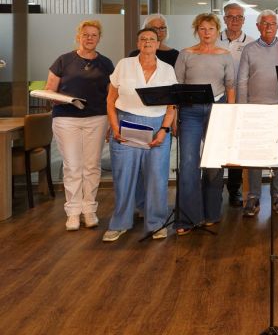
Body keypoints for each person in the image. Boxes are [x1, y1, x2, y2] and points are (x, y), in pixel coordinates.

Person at [103, 28, 177, 242]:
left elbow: (172, 104)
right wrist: (115, 127)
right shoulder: (124, 65)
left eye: (151, 39)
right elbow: (110, 100)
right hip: (127, 124)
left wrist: (164, 130)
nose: (147, 42)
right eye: (143, 39)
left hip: (157, 126)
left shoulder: (167, 69)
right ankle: (120, 223)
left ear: (158, 42)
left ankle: (156, 223)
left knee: (157, 178)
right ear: (137, 42)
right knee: (124, 177)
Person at [45, 20, 114, 231]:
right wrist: (57, 99)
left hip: (97, 119)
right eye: (86, 35)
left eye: (94, 35)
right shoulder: (63, 60)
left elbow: (112, 95)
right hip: (66, 119)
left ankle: (89, 210)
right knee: (73, 166)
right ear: (79, 37)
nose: (90, 38)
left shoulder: (106, 63)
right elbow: (49, 90)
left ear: (99, 38)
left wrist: (113, 121)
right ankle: (73, 212)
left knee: (92, 166)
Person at [174, 13, 236, 235]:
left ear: (217, 31)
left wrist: (229, 116)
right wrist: (173, 119)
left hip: (217, 110)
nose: (206, 32)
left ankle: (211, 212)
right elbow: (177, 87)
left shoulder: (225, 55)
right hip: (189, 112)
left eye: (210, 28)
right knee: (189, 163)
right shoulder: (185, 54)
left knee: (214, 164)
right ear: (196, 31)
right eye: (202, 29)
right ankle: (187, 218)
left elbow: (230, 87)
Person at [237, 10, 278, 217]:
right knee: (255, 154)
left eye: (272, 23)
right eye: (264, 23)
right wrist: (243, 109)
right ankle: (253, 197)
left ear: (277, 26)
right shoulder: (249, 49)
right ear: (258, 27)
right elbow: (242, 80)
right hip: (254, 110)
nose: (268, 27)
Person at [219, 3, 255, 208]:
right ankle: (213, 189)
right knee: (216, 144)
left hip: (240, 101)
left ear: (244, 20)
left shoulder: (251, 43)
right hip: (216, 99)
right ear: (224, 19)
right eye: (230, 17)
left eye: (238, 17)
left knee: (236, 146)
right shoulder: (214, 39)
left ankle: (234, 190)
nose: (234, 20)